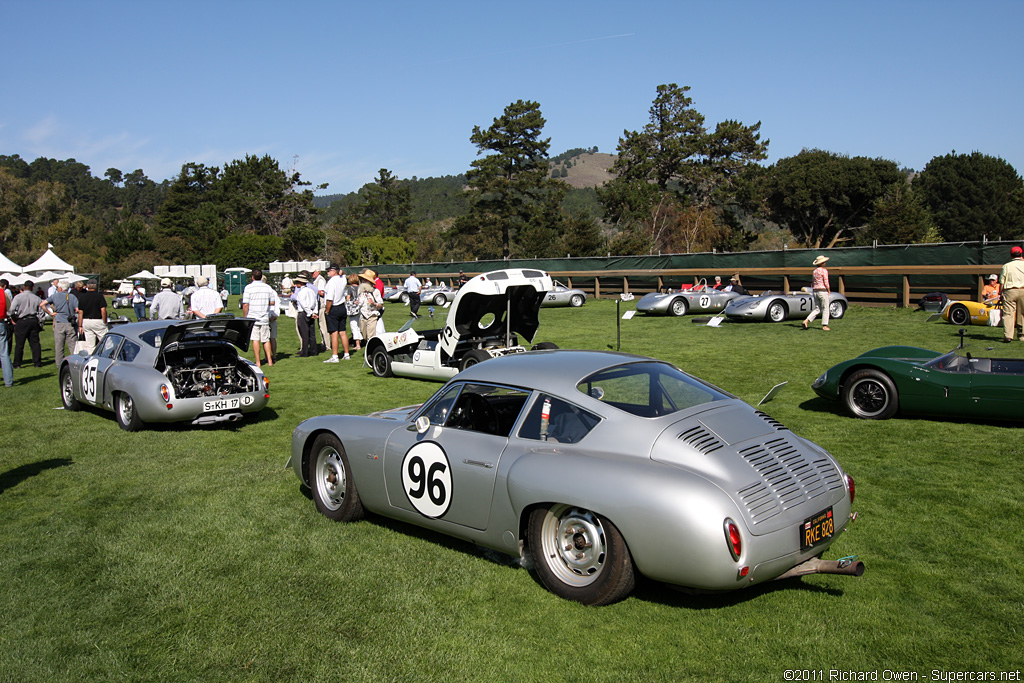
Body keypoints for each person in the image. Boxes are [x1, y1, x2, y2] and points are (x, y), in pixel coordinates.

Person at [241, 268, 277, 368]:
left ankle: (258, 362)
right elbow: (272, 302)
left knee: (255, 339)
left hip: (253, 317)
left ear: (252, 277)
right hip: (264, 317)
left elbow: (245, 304)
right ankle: (270, 361)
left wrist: (245, 316)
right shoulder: (268, 288)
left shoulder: (248, 288)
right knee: (266, 339)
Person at [41, 279, 78, 367]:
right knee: (73, 345)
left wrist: (50, 313)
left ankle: (59, 363)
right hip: (70, 322)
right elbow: (77, 309)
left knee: (59, 345)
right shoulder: (72, 297)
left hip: (59, 322)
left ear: (60, 288)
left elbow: (42, 304)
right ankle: (74, 362)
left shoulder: (55, 296)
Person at [10, 280, 44, 368]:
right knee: (35, 343)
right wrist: (40, 323)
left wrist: (15, 318)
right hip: (33, 320)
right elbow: (41, 312)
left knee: (19, 344)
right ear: (32, 288)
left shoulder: (18, 297)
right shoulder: (37, 298)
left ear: (24, 287)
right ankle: (37, 362)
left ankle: (17, 363)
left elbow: (11, 310)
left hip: (22, 320)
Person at [322, 264, 351, 363]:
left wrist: (327, 310)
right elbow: (343, 275)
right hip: (342, 306)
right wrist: (341, 273)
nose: (328, 272)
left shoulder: (331, 283)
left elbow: (329, 299)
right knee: (342, 332)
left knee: (333, 333)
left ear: (334, 271)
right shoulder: (342, 279)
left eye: (329, 271)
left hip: (333, 307)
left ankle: (335, 356)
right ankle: (346, 354)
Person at [999, 246, 1024, 343]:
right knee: (1022, 314)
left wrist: (1001, 292)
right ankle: (1022, 336)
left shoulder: (1006, 266)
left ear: (1011, 255)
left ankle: (1008, 336)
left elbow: (1002, 281)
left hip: (1009, 290)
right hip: (1023, 290)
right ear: (1021, 254)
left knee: (1008, 314)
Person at [76, 279, 108, 354]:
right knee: (106, 342)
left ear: (87, 286)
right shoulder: (99, 296)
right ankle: (106, 356)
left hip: (86, 321)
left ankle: (92, 359)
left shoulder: (82, 297)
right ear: (96, 286)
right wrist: (105, 321)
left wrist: (80, 325)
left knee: (90, 345)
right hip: (97, 320)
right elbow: (103, 310)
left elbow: (80, 312)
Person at [292, 274, 319, 357]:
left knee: (304, 333)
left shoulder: (301, 293)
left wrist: (309, 313)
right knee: (312, 333)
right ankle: (314, 350)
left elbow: (304, 305)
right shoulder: (311, 291)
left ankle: (305, 352)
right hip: (311, 311)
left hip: (303, 313)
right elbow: (315, 302)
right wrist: (314, 312)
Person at [803, 255, 831, 331]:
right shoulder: (824, 271)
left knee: (817, 308)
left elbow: (813, 282)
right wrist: (828, 290)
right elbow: (826, 281)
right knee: (825, 308)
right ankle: (824, 325)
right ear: (822, 263)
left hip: (815, 291)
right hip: (822, 291)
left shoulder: (814, 271)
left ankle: (807, 320)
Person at [357, 269, 384, 342]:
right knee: (364, 335)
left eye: (365, 279)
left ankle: (370, 352)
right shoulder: (360, 291)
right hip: (362, 315)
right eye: (362, 279)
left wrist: (374, 304)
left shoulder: (375, 291)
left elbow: (381, 305)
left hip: (372, 315)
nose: (363, 281)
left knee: (370, 337)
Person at [344, 273, 363, 351]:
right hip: (360, 308)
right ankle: (361, 341)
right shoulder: (360, 288)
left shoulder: (350, 289)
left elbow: (348, 299)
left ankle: (357, 344)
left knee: (354, 326)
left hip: (353, 310)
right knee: (359, 326)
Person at [0, 280, 12, 387]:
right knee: (4, 353)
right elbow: (9, 308)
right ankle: (8, 381)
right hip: (1, 322)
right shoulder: (3, 293)